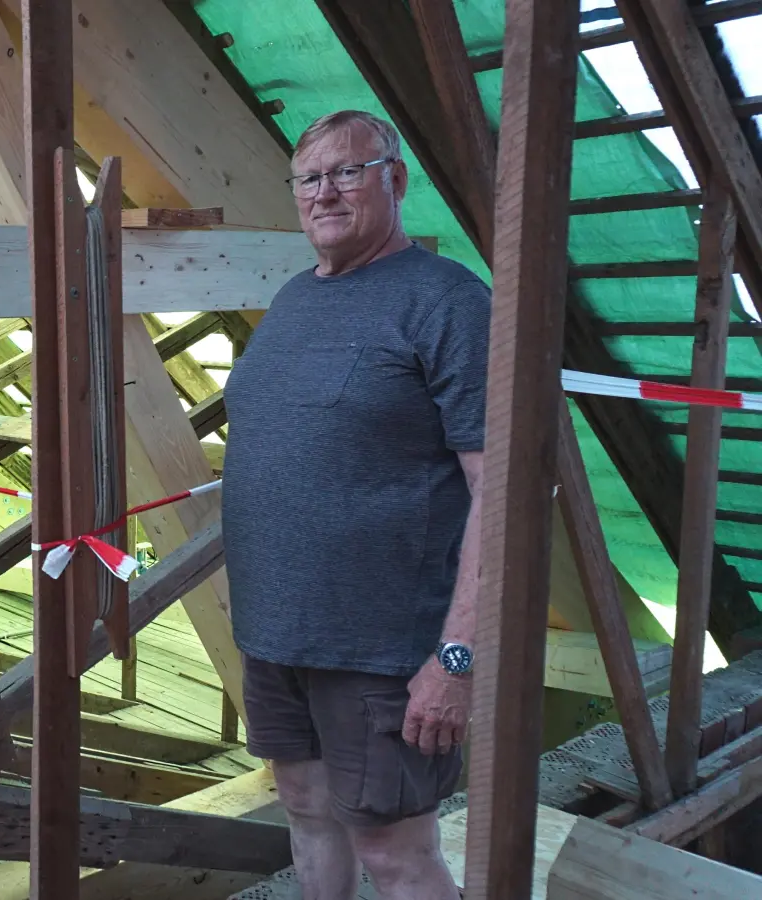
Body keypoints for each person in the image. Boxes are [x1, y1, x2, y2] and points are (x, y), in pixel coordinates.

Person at [220, 109, 490, 899]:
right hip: (276, 635)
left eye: (348, 171)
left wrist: (458, 660)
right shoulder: (295, 299)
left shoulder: (445, 301)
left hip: (380, 650)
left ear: (395, 180)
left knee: (395, 849)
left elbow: (505, 490)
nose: (325, 193)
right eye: (309, 177)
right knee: (305, 813)